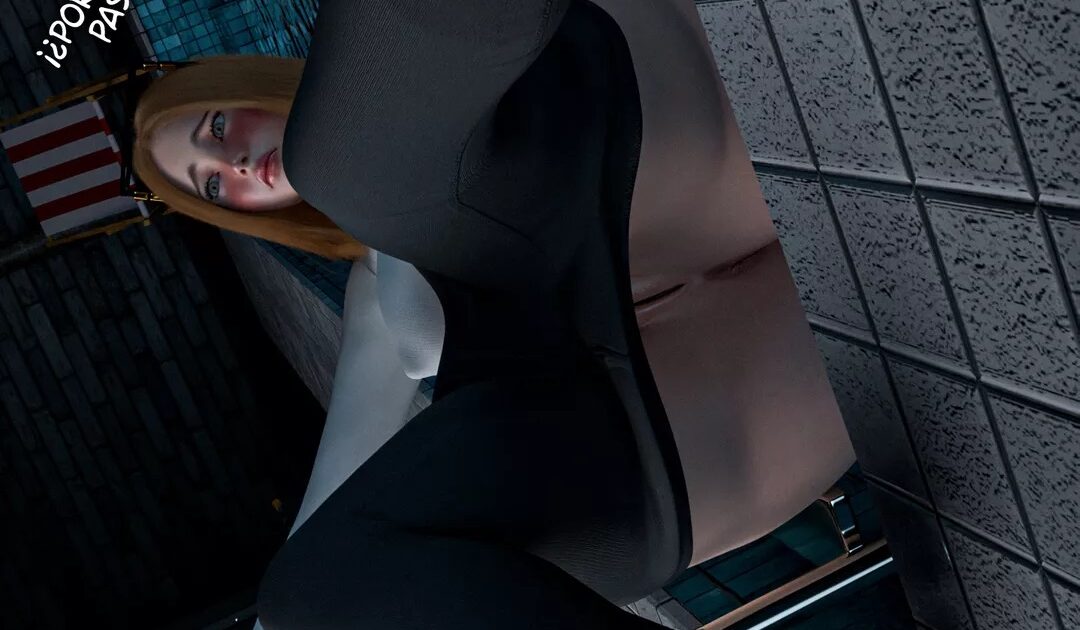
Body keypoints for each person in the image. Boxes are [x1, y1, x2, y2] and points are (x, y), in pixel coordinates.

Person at [132, 0, 855, 626]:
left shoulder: (369, 150)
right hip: (729, 397)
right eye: (213, 187)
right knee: (306, 595)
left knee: (351, 171)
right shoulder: (372, 290)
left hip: (705, 130)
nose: (235, 165)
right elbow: (325, 518)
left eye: (217, 126)